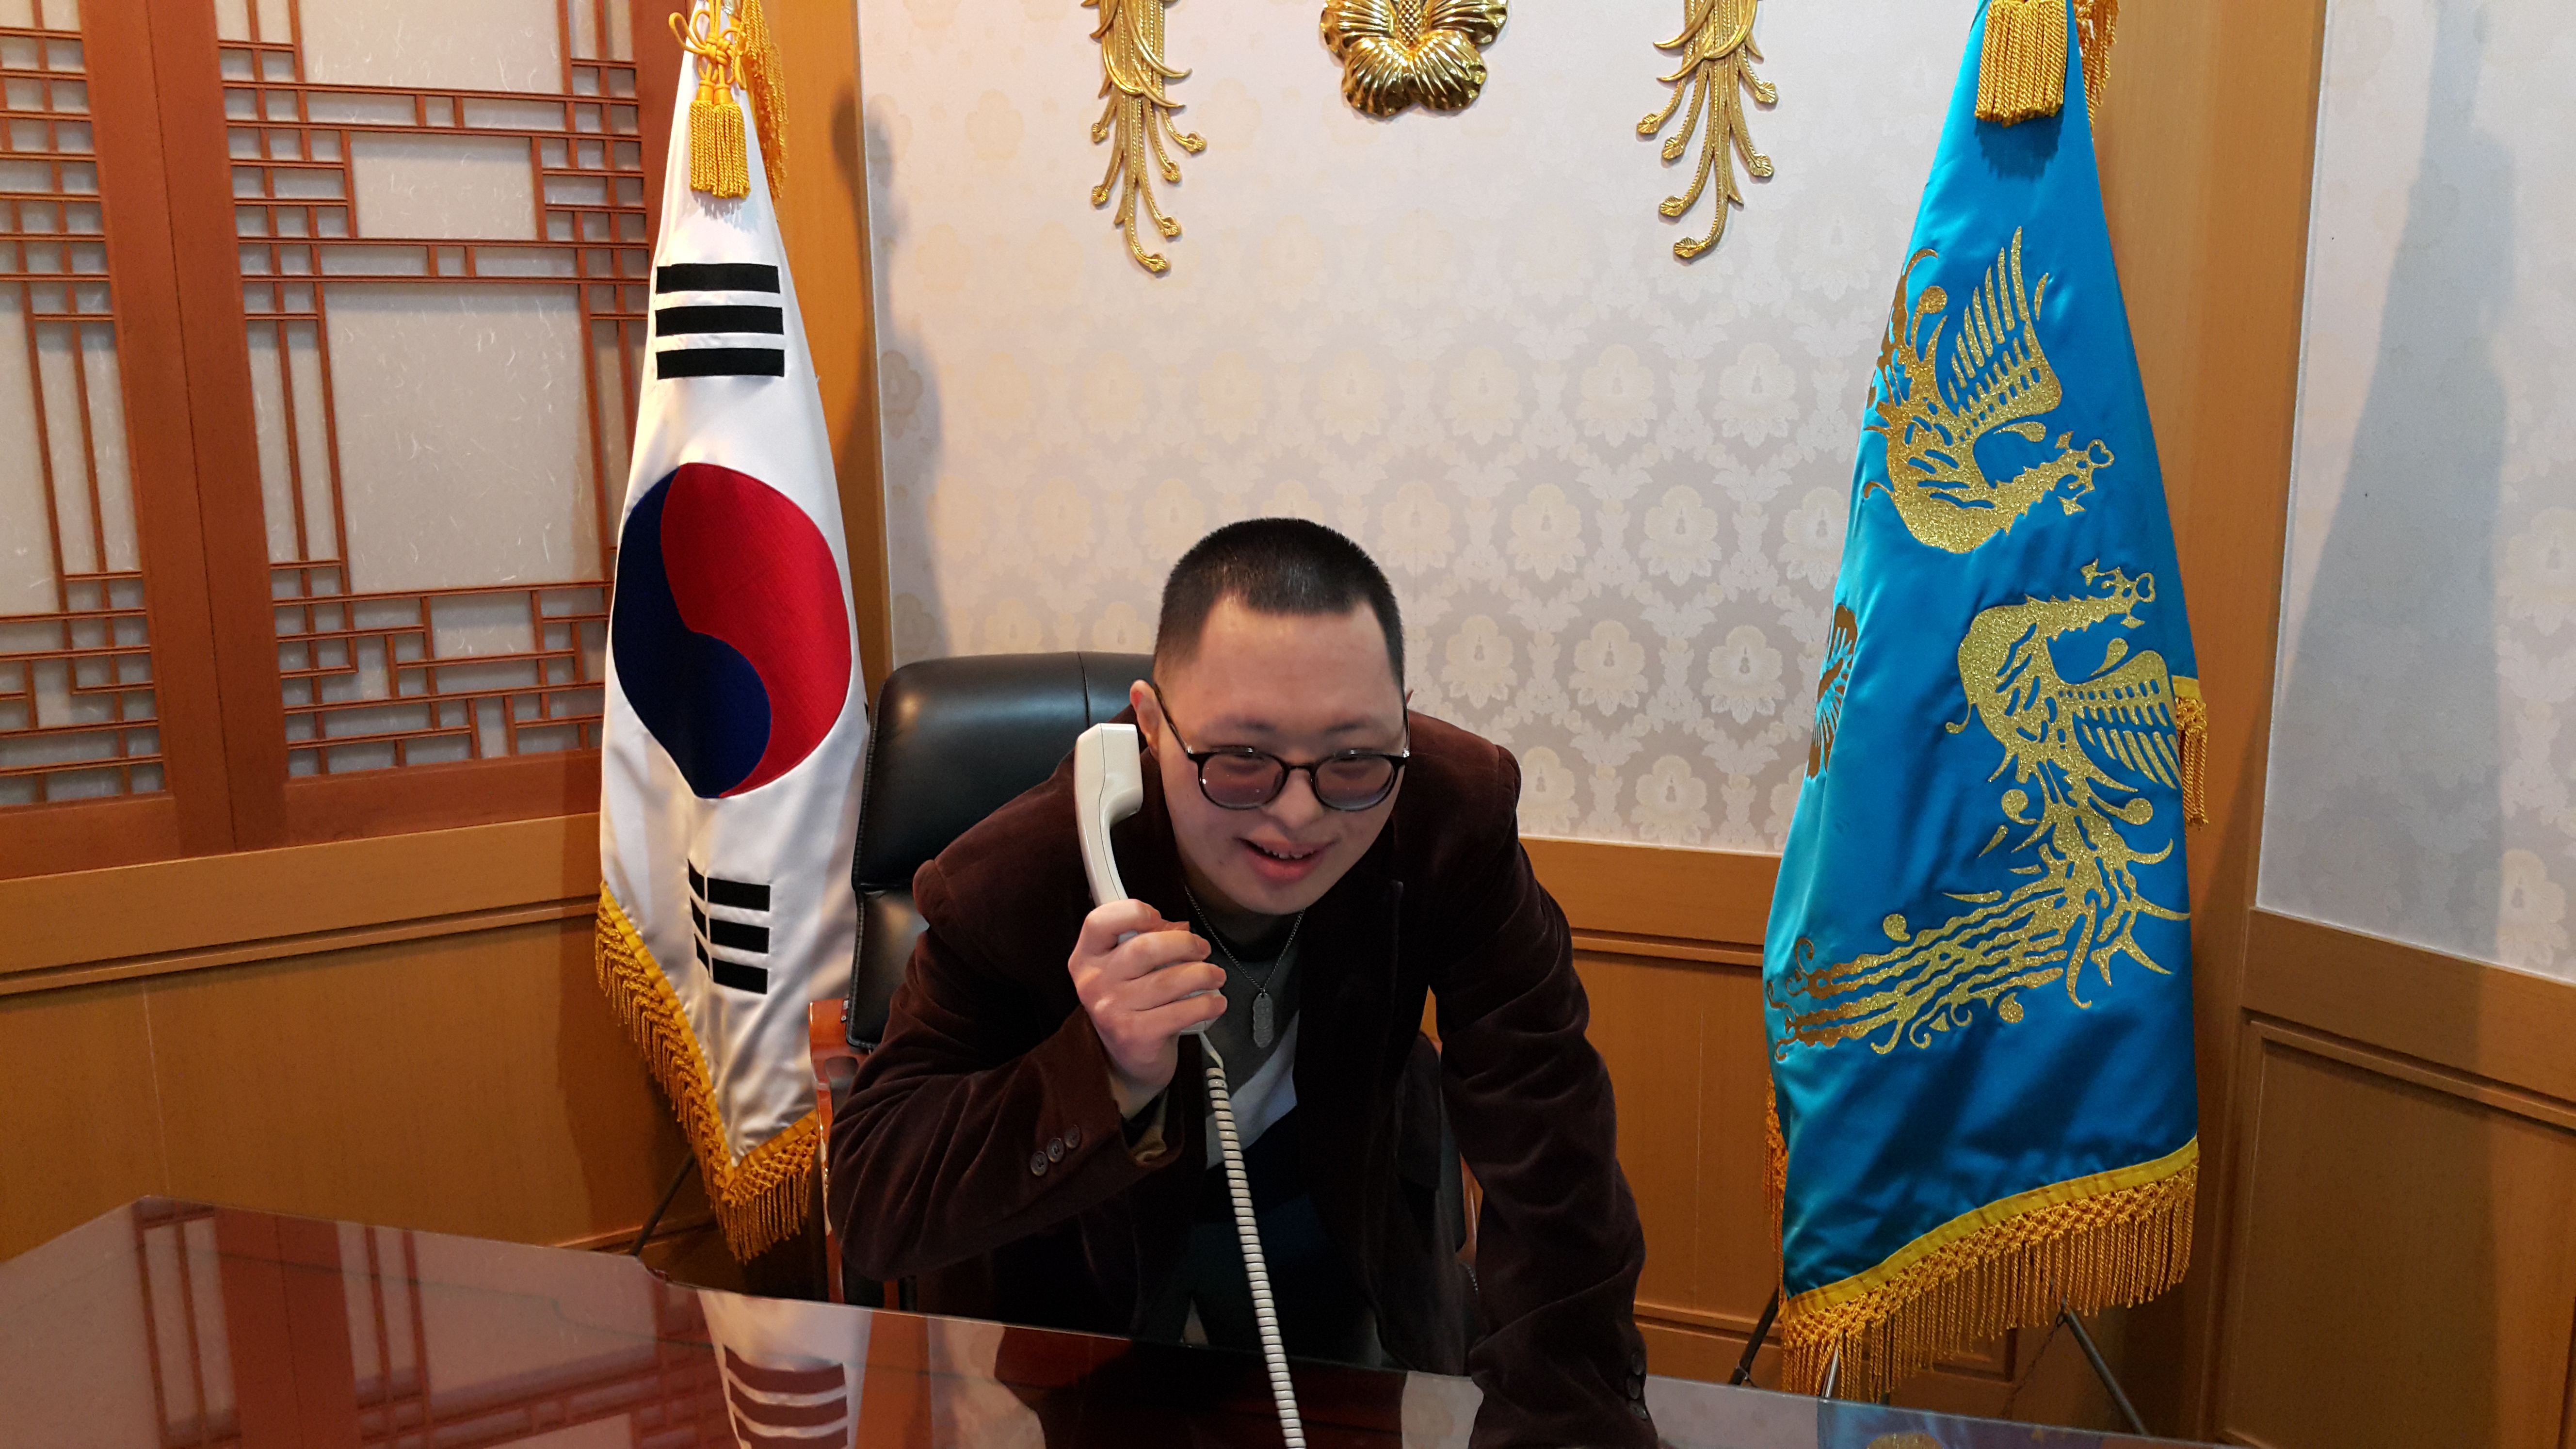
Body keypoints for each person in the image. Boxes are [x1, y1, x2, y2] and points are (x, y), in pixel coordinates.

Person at [830, 519, 1655, 1447]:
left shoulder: (1450, 814)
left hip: (1346, 1246)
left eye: (1354, 759)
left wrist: (1566, 1423)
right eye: (1241, 761)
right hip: (1085, 1312)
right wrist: (1101, 1072)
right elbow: (874, 1202)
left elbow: (1550, 1136)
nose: (1299, 814)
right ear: (1150, 726)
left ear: (1403, 720)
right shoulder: (1016, 879)